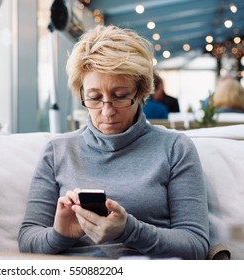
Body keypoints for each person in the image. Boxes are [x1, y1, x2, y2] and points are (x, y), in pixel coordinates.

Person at [18, 25, 210, 260]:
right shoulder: (58, 151)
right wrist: (60, 234)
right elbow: (28, 241)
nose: (107, 111)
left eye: (120, 96)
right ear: (81, 94)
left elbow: (196, 244)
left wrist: (130, 230)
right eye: (94, 98)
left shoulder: (175, 149)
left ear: (140, 92)